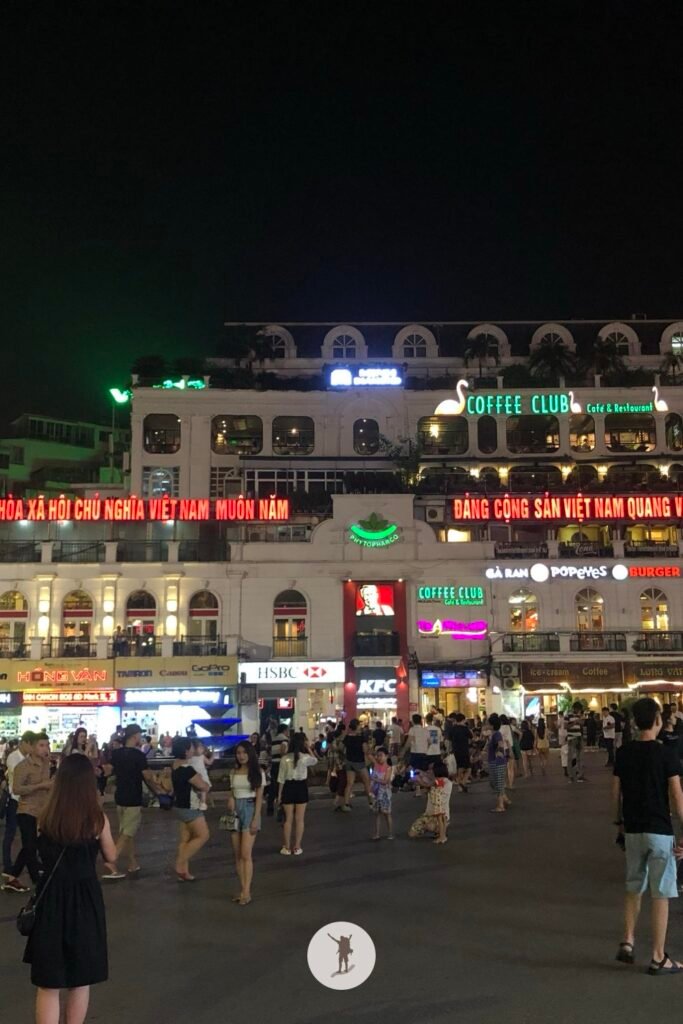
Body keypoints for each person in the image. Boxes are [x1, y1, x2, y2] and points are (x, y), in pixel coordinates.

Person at [23, 754, 117, 1024]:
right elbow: (110, 857)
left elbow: (39, 855)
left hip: (52, 899)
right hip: (85, 901)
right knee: (80, 979)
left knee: (48, 983)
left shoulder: (47, 817)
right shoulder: (97, 820)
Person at [613, 697, 683, 974]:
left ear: (633, 721)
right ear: (657, 720)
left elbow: (615, 792)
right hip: (660, 830)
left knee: (634, 886)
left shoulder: (624, 752)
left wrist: (618, 822)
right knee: (661, 893)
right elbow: (677, 796)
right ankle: (658, 956)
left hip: (633, 830)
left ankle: (628, 940)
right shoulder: (666, 754)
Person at [103, 723, 161, 879]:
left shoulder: (117, 754)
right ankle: (112, 859)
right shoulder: (138, 756)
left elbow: (109, 771)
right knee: (128, 832)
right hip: (133, 797)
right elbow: (147, 777)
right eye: (139, 735)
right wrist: (158, 791)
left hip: (120, 796)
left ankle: (132, 862)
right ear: (134, 736)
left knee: (126, 831)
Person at [10, 732, 53, 889]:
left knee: (31, 845)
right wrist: (40, 786)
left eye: (47, 745)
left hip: (42, 811)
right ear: (33, 747)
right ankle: (36, 879)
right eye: (41, 745)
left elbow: (48, 784)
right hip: (26, 810)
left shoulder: (46, 763)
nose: (45, 749)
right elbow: (16, 789)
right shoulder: (23, 766)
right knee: (30, 846)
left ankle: (12, 875)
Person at [227, 740, 264, 905]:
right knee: (237, 855)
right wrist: (230, 799)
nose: (241, 756)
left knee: (245, 854)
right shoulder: (233, 772)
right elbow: (232, 792)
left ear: (250, 753)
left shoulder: (257, 772)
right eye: (238, 753)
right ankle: (242, 889)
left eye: (244, 752)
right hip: (235, 812)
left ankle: (247, 892)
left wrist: (256, 818)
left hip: (249, 809)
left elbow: (259, 798)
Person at [171, 736, 210, 882]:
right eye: (191, 747)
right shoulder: (187, 770)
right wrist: (202, 780)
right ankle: (180, 863)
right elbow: (203, 786)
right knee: (203, 835)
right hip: (190, 807)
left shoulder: (174, 765)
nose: (194, 749)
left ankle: (184, 872)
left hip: (179, 806)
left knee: (185, 839)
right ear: (186, 751)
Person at [2, 731, 33, 893]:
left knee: (29, 837)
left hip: (26, 802)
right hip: (15, 801)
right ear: (25, 743)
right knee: (11, 834)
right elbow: (20, 780)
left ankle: (22, 869)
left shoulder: (27, 758)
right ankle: (8, 867)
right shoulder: (14, 757)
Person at [277, 732, 317, 855]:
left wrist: (279, 795)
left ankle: (287, 847)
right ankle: (297, 846)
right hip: (301, 787)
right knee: (300, 819)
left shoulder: (284, 759)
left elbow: (281, 778)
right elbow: (315, 760)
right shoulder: (304, 757)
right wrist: (309, 748)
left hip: (288, 787)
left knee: (288, 819)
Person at [408, 760, 452, 842]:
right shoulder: (437, 781)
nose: (429, 771)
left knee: (434, 823)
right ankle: (439, 832)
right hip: (429, 814)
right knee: (412, 833)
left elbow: (428, 784)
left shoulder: (445, 781)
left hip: (440, 810)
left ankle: (441, 834)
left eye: (431, 769)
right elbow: (429, 784)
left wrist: (418, 780)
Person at [342, 719, 373, 810]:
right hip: (359, 762)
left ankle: (346, 804)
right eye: (359, 725)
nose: (360, 727)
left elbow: (341, 747)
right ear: (356, 726)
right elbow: (365, 750)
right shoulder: (361, 738)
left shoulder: (347, 737)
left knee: (349, 783)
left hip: (349, 761)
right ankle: (371, 802)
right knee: (367, 782)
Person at [487, 714, 511, 813]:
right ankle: (504, 799)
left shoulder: (497, 734)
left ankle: (501, 805)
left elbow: (500, 744)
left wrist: (499, 754)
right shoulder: (494, 734)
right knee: (495, 783)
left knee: (498, 783)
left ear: (492, 725)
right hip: (495, 762)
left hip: (497, 762)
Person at [368, 746, 393, 840]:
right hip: (377, 793)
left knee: (387, 813)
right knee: (377, 814)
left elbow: (386, 781)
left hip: (385, 794)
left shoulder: (388, 768)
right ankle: (377, 833)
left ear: (386, 756)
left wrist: (374, 779)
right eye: (377, 755)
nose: (379, 757)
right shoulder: (376, 766)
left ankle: (390, 833)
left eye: (381, 755)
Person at [266, 721, 289, 816]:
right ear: (284, 730)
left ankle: (270, 807)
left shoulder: (274, 739)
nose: (288, 732)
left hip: (274, 764)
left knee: (273, 786)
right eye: (287, 730)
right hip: (281, 764)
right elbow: (283, 751)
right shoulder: (284, 739)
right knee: (283, 786)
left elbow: (271, 751)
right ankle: (281, 807)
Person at [447, 713, 473, 792]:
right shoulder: (465, 728)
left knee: (459, 767)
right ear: (463, 720)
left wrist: (448, 750)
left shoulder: (452, 729)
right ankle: (462, 782)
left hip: (455, 751)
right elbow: (471, 736)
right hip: (464, 750)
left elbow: (449, 741)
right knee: (468, 768)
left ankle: (460, 786)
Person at [326, 723, 347, 812]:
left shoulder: (331, 737)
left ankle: (341, 804)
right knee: (342, 781)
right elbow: (340, 750)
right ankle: (339, 801)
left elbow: (327, 747)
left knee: (336, 776)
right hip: (340, 761)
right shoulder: (339, 740)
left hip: (332, 758)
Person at [190, 739, 214, 810]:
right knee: (202, 789)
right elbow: (209, 762)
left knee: (203, 789)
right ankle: (199, 802)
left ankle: (203, 802)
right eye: (200, 747)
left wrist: (212, 755)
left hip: (201, 777)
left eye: (202, 747)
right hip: (195, 777)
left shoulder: (201, 756)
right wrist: (213, 756)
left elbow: (209, 762)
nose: (202, 749)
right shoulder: (192, 757)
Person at [566, 701, 586, 782]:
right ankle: (571, 776)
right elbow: (566, 726)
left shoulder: (580, 715)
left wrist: (579, 719)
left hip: (579, 737)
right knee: (570, 758)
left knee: (580, 757)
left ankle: (580, 775)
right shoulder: (568, 715)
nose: (578, 711)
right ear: (574, 708)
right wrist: (575, 722)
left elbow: (582, 723)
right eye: (578, 709)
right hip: (571, 738)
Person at [499, 714, 515, 789]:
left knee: (503, 768)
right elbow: (509, 739)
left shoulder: (499, 728)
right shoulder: (509, 727)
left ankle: (504, 784)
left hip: (502, 749)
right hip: (509, 748)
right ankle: (511, 784)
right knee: (510, 768)